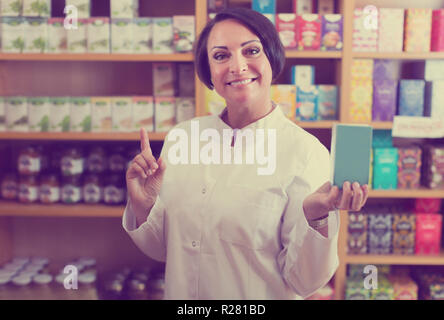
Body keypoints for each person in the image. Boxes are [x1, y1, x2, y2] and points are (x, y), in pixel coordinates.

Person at [123, 7, 369, 300]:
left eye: (251, 50)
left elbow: (305, 282)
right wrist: (144, 207)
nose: (237, 66)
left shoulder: (306, 153)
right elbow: (163, 249)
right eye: (221, 55)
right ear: (209, 73)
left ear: (272, 60)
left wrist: (315, 217)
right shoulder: (182, 138)